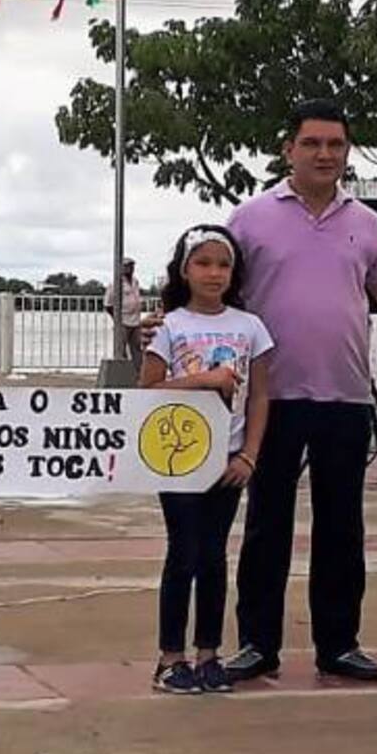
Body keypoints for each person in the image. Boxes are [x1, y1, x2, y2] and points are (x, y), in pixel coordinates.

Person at [220, 98, 377, 683]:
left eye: (335, 144)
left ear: (347, 151)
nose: (324, 154)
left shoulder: (367, 223)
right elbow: (218, 290)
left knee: (342, 528)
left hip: (346, 396)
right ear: (289, 150)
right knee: (266, 525)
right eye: (312, 143)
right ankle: (257, 643)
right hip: (270, 399)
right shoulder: (250, 218)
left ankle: (339, 644)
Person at [141, 225, 273, 694]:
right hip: (179, 459)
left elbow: (260, 396)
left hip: (228, 459)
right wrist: (204, 380)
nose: (213, 273)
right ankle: (170, 657)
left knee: (214, 556)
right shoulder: (172, 326)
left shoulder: (250, 326)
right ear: (184, 269)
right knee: (184, 553)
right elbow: (149, 390)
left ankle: (209, 652)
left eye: (223, 264)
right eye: (203, 263)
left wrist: (250, 456)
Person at [105, 257, 144, 378]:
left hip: (136, 321)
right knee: (120, 350)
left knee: (137, 348)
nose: (130, 268)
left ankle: (139, 374)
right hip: (123, 321)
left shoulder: (135, 281)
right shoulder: (115, 283)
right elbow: (108, 304)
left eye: (132, 266)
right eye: (127, 266)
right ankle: (122, 374)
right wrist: (117, 319)